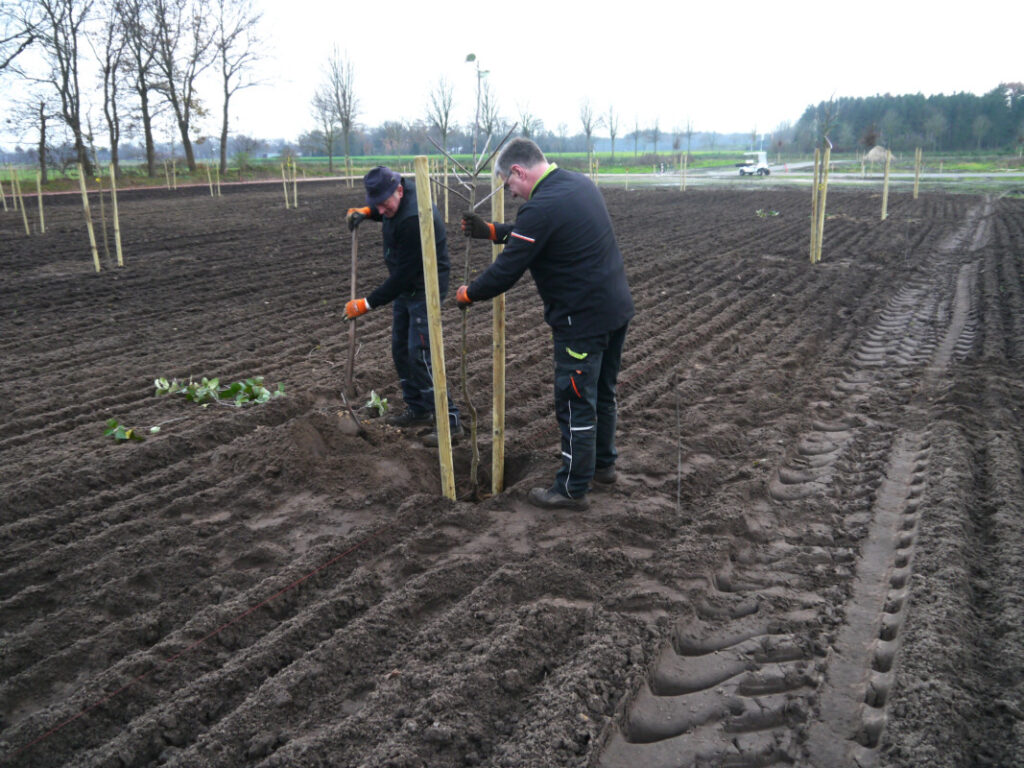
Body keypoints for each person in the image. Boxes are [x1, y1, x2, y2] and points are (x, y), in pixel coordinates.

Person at [457, 138, 634, 510]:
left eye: (510, 185)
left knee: (575, 402)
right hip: (614, 311)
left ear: (519, 171)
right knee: (603, 393)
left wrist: (468, 294)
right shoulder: (578, 184)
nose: (514, 193)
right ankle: (603, 466)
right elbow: (534, 234)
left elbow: (507, 270)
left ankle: (572, 489)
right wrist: (491, 231)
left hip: (581, 323)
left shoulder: (541, 207)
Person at [345, 166, 461, 445]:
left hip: (424, 286)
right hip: (406, 284)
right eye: (378, 206)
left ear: (398, 190)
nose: (382, 211)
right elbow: (386, 210)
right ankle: (418, 409)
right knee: (399, 348)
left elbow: (401, 278)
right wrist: (367, 212)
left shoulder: (413, 219)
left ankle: (449, 421)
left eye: (383, 205)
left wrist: (366, 303)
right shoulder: (397, 198)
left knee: (419, 352)